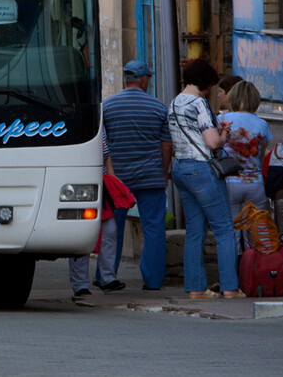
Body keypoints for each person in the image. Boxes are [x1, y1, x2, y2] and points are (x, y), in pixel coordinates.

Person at [168, 58, 244, 299]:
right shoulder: (200, 104)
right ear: (204, 83)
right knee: (223, 229)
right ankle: (230, 287)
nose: (211, 90)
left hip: (181, 168)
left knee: (194, 231)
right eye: (210, 85)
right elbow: (212, 143)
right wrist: (223, 135)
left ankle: (195, 288)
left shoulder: (174, 103)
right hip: (202, 171)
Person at [99, 59, 172, 291]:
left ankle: (105, 276)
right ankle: (152, 281)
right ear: (143, 80)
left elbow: (102, 143)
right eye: (148, 78)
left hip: (117, 180)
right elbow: (167, 145)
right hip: (151, 177)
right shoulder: (159, 107)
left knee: (112, 228)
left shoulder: (108, 107)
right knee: (154, 229)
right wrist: (163, 172)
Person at [69, 134, 131, 300]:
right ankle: (80, 285)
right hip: (76, 184)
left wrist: (112, 179)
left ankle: (107, 278)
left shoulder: (99, 124)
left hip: (100, 184)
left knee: (110, 231)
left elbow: (107, 157)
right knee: (80, 236)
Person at [216, 80, 271, 253]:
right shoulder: (262, 124)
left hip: (229, 182)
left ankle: (231, 277)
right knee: (254, 235)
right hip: (255, 183)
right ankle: (254, 276)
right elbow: (262, 155)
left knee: (230, 234)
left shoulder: (221, 119)